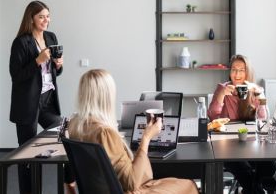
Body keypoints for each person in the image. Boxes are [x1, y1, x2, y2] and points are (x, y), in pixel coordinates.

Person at [68, 69, 199, 194]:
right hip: (125, 190)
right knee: (188, 184)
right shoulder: (105, 133)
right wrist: (146, 137)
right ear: (107, 96)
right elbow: (132, 182)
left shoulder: (75, 125)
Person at [9, 0, 75, 194]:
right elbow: (16, 75)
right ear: (31, 18)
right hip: (27, 103)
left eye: (48, 16)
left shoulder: (50, 36)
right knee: (27, 154)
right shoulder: (21, 42)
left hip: (48, 100)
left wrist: (58, 65)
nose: (46, 20)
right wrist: (38, 61)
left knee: (67, 136)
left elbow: (55, 72)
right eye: (41, 16)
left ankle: (69, 182)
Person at [207, 54, 276, 194]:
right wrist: (221, 95)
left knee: (270, 164)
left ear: (247, 72)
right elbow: (212, 116)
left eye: (241, 70)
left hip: (251, 143)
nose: (237, 74)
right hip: (227, 145)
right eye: (234, 69)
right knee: (241, 167)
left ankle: (251, 189)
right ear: (229, 71)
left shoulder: (255, 89)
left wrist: (260, 97)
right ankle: (256, 188)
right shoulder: (222, 88)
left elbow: (263, 119)